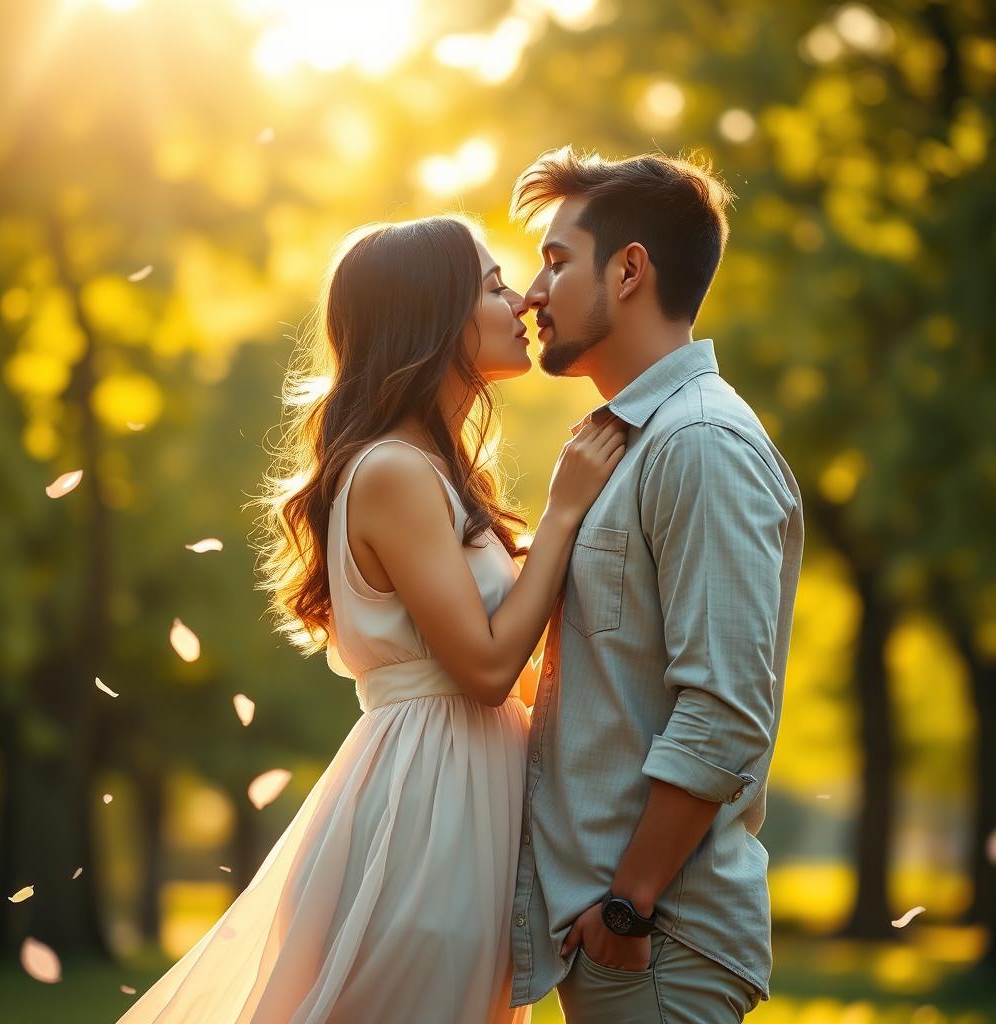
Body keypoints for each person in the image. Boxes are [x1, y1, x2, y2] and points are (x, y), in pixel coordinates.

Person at [116, 215, 626, 1024]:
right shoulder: (392, 469)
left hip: (467, 797)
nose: (522, 302)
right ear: (434, 317)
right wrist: (563, 515)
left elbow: (522, 664)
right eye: (494, 287)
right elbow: (489, 671)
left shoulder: (433, 470)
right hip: (428, 815)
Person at [507, 148, 804, 1023]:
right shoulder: (633, 447)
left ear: (630, 269)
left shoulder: (701, 445)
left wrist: (629, 905)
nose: (532, 291)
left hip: (660, 938)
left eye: (557, 260)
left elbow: (723, 709)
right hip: (622, 940)